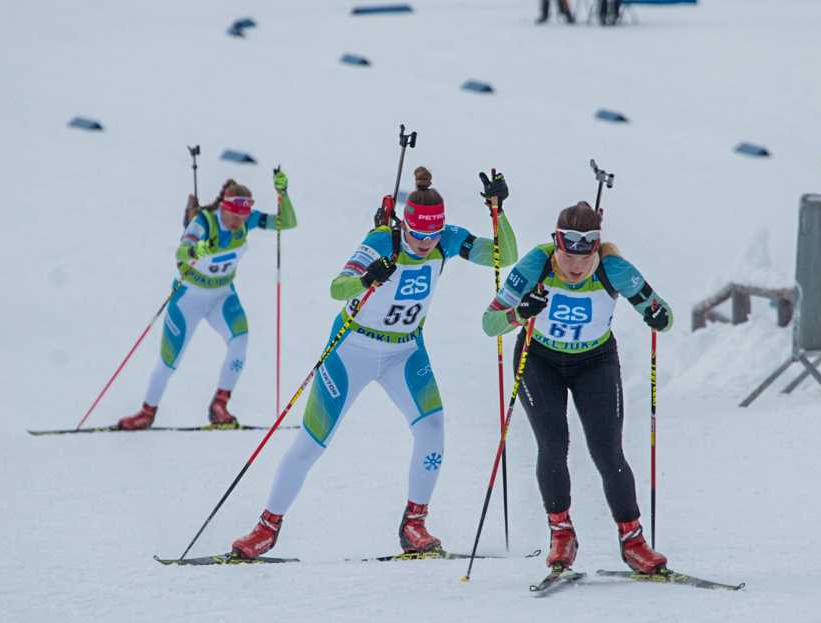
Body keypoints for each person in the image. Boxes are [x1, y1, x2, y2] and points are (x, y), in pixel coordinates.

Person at [231, 167, 518, 557]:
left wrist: (498, 212)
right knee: (312, 442)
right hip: (353, 351)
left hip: (405, 351)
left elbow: (506, 255)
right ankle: (267, 527)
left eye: (433, 235)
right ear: (406, 225)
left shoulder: (446, 241)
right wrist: (368, 278)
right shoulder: (383, 241)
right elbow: (337, 288)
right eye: (418, 234)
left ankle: (415, 524)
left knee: (432, 426)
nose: (425, 243)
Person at [482, 201, 673, 574]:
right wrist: (519, 313)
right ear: (557, 246)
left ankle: (633, 541)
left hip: (594, 362)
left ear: (596, 253)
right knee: (553, 444)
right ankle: (561, 533)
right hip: (539, 360)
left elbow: (662, 315)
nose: (575, 269)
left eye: (584, 263)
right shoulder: (534, 266)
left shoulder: (614, 268)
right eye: (568, 259)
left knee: (607, 451)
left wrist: (657, 315)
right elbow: (490, 324)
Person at [117, 173, 298, 430]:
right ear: (224, 208)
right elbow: (181, 251)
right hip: (189, 298)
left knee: (240, 341)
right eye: (235, 217)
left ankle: (219, 405)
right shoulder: (204, 223)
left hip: (221, 296)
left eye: (244, 217)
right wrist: (196, 250)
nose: (239, 223)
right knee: (169, 361)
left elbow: (286, 223)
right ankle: (147, 412)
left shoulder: (247, 220)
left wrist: (283, 194)